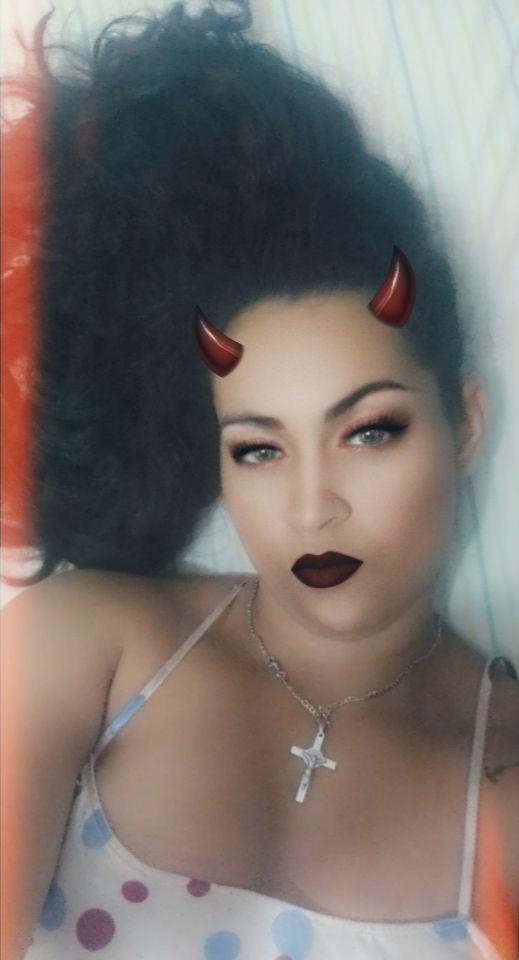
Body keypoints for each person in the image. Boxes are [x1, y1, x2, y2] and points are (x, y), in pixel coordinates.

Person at [1, 2, 518, 958]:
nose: (312, 506)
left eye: (368, 432)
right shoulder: (86, 644)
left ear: (467, 425)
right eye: (259, 449)